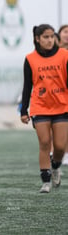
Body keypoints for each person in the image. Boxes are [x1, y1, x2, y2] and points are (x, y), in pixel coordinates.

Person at [20, 24, 68, 193]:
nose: (49, 40)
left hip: (62, 105)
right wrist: (23, 110)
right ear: (37, 39)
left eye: (51, 37)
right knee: (45, 143)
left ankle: (55, 166)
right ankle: (46, 181)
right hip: (40, 106)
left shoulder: (64, 55)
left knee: (61, 147)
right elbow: (27, 86)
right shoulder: (30, 59)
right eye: (45, 37)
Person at [58, 25, 68, 166]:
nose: (67, 35)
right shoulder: (53, 51)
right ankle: (56, 153)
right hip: (55, 94)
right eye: (65, 32)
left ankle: (65, 153)